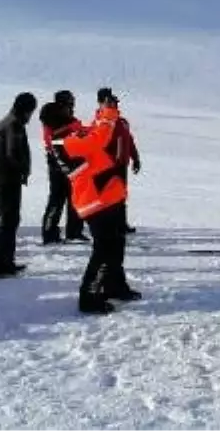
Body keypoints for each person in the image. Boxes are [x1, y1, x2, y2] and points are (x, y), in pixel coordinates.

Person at [53, 88, 139, 314]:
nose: (74, 114)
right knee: (104, 249)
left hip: (105, 195)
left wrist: (105, 113)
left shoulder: (72, 136)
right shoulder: (65, 140)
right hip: (95, 200)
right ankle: (89, 296)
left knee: (115, 244)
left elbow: (100, 134)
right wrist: (108, 112)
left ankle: (113, 285)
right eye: (69, 110)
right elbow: (99, 139)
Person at [0, 92, 36, 278]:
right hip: (5, 180)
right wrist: (23, 170)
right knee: (8, 222)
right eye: (31, 111)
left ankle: (6, 262)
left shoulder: (11, 122)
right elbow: (13, 153)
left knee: (11, 221)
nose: (31, 116)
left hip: (4, 179)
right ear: (26, 110)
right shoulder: (13, 124)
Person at [40, 90, 86, 244]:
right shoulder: (51, 117)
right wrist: (72, 128)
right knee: (57, 199)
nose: (72, 105)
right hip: (57, 161)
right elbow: (51, 138)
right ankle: (49, 233)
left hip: (73, 161)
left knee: (75, 198)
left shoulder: (69, 118)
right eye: (70, 101)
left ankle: (74, 231)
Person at [98, 88, 141, 234]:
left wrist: (135, 158)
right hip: (108, 164)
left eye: (115, 103)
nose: (115, 105)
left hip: (122, 164)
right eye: (111, 103)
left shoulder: (122, 122)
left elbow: (129, 140)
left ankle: (121, 223)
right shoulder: (101, 121)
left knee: (120, 195)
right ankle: (107, 224)